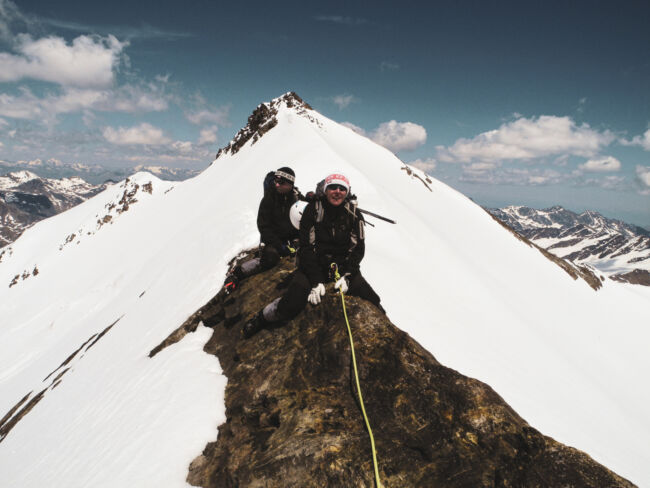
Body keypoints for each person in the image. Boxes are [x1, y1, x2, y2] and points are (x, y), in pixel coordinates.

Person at [242, 173, 383, 338]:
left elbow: (358, 248)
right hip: (312, 266)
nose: (337, 191)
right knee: (292, 302)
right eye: (333, 187)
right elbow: (306, 248)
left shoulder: (353, 215)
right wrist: (316, 280)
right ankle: (262, 318)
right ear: (326, 189)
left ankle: (384, 316)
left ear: (347, 192)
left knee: (372, 298)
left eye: (342, 188)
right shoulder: (313, 210)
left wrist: (348, 275)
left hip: (342, 268)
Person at [224, 166, 304, 293]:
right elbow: (263, 227)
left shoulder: (296, 198)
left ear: (290, 184)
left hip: (292, 239)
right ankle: (237, 273)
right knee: (270, 258)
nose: (277, 184)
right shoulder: (268, 199)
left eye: (281, 182)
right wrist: (279, 245)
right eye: (276, 181)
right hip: (274, 241)